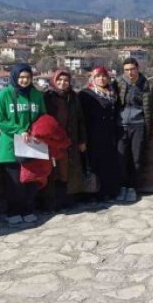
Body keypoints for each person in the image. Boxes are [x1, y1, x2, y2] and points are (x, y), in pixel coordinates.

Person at [0, 64, 46, 225]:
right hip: (11, 144)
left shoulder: (36, 95)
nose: (24, 80)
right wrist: (19, 129)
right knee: (14, 181)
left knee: (31, 179)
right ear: (15, 77)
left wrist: (39, 132)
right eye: (21, 77)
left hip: (32, 143)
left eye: (28, 77)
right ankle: (13, 211)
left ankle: (28, 210)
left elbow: (43, 116)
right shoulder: (5, 94)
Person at [115, 57, 153, 203]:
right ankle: (123, 187)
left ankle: (132, 188)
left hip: (138, 125)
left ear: (137, 68)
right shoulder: (118, 84)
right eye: (126, 70)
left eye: (132, 69)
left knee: (136, 158)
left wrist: (142, 114)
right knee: (120, 158)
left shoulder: (147, 85)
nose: (130, 72)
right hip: (120, 126)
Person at [43, 69, 87, 210]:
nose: (63, 83)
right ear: (54, 81)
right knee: (52, 171)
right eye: (59, 80)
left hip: (70, 139)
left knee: (66, 171)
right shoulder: (48, 97)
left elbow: (80, 119)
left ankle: (65, 200)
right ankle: (51, 202)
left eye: (66, 81)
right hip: (52, 140)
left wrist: (82, 140)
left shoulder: (74, 97)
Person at [79, 67, 121, 201]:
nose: (101, 79)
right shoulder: (85, 94)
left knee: (108, 164)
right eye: (98, 76)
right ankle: (94, 193)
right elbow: (81, 118)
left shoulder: (112, 93)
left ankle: (107, 191)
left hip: (109, 135)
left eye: (104, 76)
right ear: (93, 78)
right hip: (93, 135)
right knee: (94, 164)